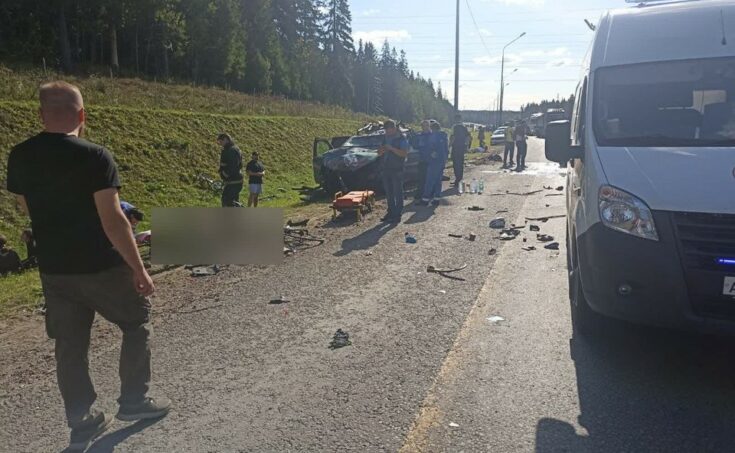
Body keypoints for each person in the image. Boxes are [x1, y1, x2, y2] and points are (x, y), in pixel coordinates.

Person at [6, 81, 169, 451]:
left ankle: (83, 421)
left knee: (70, 346)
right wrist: (138, 268)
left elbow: (27, 207)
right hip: (101, 266)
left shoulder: (20, 155)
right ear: (82, 115)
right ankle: (134, 402)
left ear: (40, 114)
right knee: (136, 322)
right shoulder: (95, 156)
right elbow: (114, 220)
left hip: (55, 271)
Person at [378, 119, 409, 223]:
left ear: (394, 128)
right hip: (386, 168)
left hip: (397, 169)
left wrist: (391, 148)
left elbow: (404, 154)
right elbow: (379, 152)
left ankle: (397, 214)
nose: (387, 132)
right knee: (389, 193)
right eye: (385, 130)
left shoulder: (401, 138)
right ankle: (390, 212)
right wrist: (381, 151)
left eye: (388, 130)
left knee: (398, 192)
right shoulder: (385, 138)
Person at [421, 121, 450, 205]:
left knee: (429, 180)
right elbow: (446, 149)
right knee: (438, 180)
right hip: (442, 160)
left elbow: (430, 147)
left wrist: (430, 153)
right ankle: (437, 198)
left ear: (431, 128)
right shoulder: (444, 136)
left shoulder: (433, 136)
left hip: (434, 161)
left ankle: (425, 199)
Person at [217, 133, 243, 207]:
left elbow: (233, 167)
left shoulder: (232, 150)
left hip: (234, 180)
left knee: (227, 201)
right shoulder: (230, 149)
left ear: (226, 139)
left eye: (221, 142)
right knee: (233, 202)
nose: (220, 144)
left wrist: (224, 174)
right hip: (233, 180)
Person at [413, 120, 433, 200]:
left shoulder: (433, 135)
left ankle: (430, 194)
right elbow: (415, 146)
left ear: (429, 126)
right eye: (423, 126)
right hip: (422, 160)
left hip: (431, 160)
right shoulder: (419, 136)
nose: (425, 127)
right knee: (421, 178)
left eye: (426, 125)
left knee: (430, 178)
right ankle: (420, 194)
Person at [449, 114, 470, 186]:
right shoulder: (464, 127)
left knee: (455, 164)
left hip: (455, 147)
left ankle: (457, 180)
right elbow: (468, 137)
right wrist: (466, 146)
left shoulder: (454, 127)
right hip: (462, 147)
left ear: (455, 119)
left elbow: (452, 137)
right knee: (460, 163)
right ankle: (459, 179)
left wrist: (449, 146)